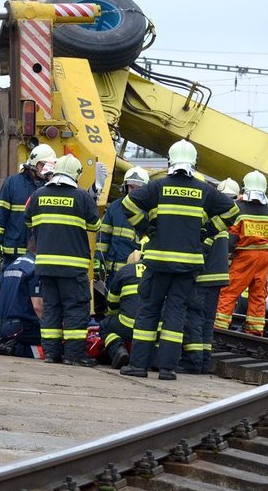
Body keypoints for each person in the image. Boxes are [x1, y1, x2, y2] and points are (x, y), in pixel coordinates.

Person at [119, 139, 239, 380]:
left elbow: (128, 203)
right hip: (187, 266)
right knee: (176, 314)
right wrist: (207, 230)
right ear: (194, 163)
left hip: (157, 263)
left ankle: (139, 366)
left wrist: (147, 227)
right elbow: (232, 211)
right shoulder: (204, 190)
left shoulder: (158, 187)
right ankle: (167, 369)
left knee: (149, 311)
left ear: (170, 162)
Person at [25, 154, 100, 366]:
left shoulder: (38, 195)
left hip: (46, 266)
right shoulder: (82, 198)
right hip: (73, 267)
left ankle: (51, 354)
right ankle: (74, 356)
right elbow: (95, 226)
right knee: (75, 310)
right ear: (76, 174)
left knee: (51, 309)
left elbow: (28, 221)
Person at [215, 171, 268, 336]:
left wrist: (224, 254)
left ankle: (219, 327)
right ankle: (255, 331)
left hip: (244, 259)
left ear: (244, 188)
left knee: (230, 291)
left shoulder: (239, 210)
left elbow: (231, 238)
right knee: (258, 294)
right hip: (263, 259)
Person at [178, 178, 239, 373]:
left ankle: (193, 362)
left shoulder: (210, 220)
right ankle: (204, 361)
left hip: (204, 277)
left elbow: (201, 250)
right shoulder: (222, 220)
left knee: (195, 318)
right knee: (207, 320)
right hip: (218, 277)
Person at [0, 144, 57, 269]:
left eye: (49, 166)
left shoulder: (51, 187)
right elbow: (0, 214)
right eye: (42, 165)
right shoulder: (12, 183)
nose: (45, 169)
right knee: (10, 286)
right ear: (33, 164)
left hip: (39, 254)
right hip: (13, 253)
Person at [0, 238, 43, 358]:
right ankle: (14, 349)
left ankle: (7, 343)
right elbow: (38, 307)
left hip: (5, 327)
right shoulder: (35, 268)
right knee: (56, 345)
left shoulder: (12, 265)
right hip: (23, 328)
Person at [95, 166, 149, 283]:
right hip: (113, 273)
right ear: (125, 187)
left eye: (138, 188)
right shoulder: (115, 207)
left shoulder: (149, 210)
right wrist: (98, 261)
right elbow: (103, 238)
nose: (134, 191)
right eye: (131, 187)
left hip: (137, 274)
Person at [100, 249, 144, 369]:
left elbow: (112, 303)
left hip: (129, 324)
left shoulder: (124, 271)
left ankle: (118, 351)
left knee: (105, 325)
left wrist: (114, 314)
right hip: (156, 326)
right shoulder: (157, 272)